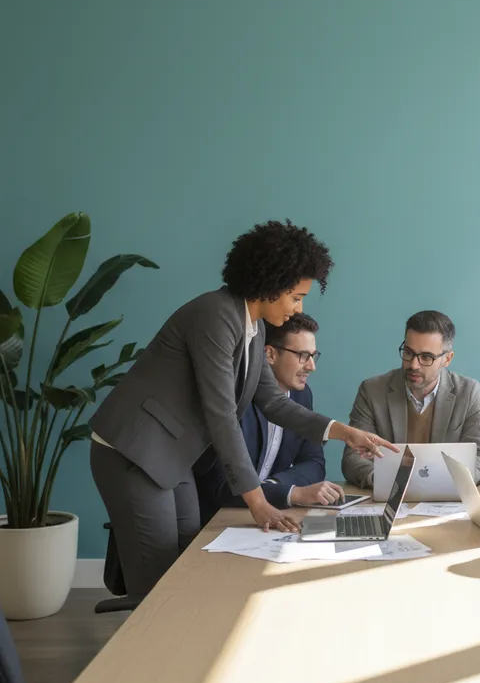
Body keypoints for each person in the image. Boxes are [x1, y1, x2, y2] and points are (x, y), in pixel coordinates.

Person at [89, 220, 397, 598]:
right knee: (156, 580)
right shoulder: (215, 316)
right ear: (270, 283)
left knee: (190, 552)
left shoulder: (252, 329)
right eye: (296, 296)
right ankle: (151, 649)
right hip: (133, 450)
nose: (298, 306)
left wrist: (344, 432)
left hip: (174, 453)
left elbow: (272, 403)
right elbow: (221, 414)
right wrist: (257, 501)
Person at [194, 313, 343, 524]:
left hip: (268, 514)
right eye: (302, 355)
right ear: (270, 354)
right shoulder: (236, 399)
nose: (311, 366)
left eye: (313, 355)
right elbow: (220, 485)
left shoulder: (302, 395)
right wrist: (293, 493)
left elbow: (314, 463)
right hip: (218, 519)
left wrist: (275, 486)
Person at [342, 310, 480, 489]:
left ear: (447, 359)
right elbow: (352, 458)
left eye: (426, 357)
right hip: (388, 498)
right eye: (408, 352)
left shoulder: (468, 393)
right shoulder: (372, 390)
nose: (414, 365)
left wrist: (447, 482)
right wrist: (384, 482)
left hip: (446, 499)